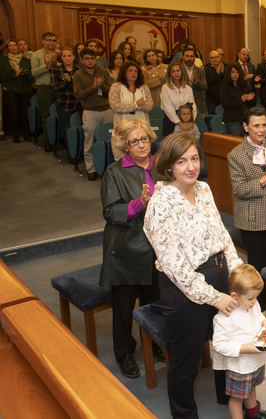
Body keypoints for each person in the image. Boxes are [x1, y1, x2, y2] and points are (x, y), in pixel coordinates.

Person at [143, 132, 244, 417]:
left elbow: (222, 235)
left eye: (195, 158)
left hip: (220, 275)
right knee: (185, 362)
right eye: (181, 161)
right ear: (169, 166)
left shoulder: (204, 189)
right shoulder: (160, 204)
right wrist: (215, 298)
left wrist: (236, 274)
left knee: (225, 346)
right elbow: (176, 268)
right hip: (185, 291)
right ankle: (184, 414)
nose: (190, 166)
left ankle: (229, 398)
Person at [100, 118, 163, 379]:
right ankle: (125, 353)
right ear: (125, 145)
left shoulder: (160, 166)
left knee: (155, 303)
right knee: (124, 309)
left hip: (156, 248)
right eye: (134, 141)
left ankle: (155, 342)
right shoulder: (114, 172)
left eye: (144, 139)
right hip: (125, 250)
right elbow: (111, 211)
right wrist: (140, 203)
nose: (141, 145)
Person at [228, 107, 266, 311]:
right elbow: (239, 190)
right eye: (256, 125)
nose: (261, 130)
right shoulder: (236, 155)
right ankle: (260, 305)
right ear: (246, 127)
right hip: (253, 219)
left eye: (264, 124)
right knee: (259, 264)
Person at [212, 264, 266, 419]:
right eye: (250, 298)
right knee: (237, 397)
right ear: (234, 296)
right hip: (239, 366)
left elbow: (259, 315)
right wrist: (244, 348)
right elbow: (218, 344)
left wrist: (264, 322)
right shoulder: (224, 317)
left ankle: (253, 414)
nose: (254, 302)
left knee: (251, 388)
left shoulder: (252, 304)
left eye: (256, 297)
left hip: (255, 360)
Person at [73, 48, 113, 181]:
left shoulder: (103, 72)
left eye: (92, 58)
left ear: (96, 59)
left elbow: (111, 92)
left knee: (110, 139)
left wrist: (101, 86)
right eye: (86, 59)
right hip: (90, 111)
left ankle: (110, 166)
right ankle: (92, 169)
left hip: (106, 109)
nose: (90, 61)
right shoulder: (78, 75)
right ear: (82, 60)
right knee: (89, 140)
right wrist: (93, 87)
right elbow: (78, 95)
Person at [30, 31, 60, 152]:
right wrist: (46, 65)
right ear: (43, 41)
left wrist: (55, 63)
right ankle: (48, 141)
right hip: (44, 88)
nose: (50, 42)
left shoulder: (60, 54)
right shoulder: (36, 54)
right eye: (48, 40)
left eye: (53, 40)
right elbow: (34, 72)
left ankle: (58, 138)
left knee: (59, 114)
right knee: (46, 115)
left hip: (58, 87)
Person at [0, 39, 34, 143]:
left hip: (24, 89)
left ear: (18, 47)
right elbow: (2, 76)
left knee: (25, 112)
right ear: (7, 48)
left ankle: (26, 134)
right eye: (10, 46)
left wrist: (26, 74)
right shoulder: (3, 60)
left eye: (15, 45)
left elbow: (31, 79)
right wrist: (15, 74)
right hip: (10, 89)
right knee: (13, 112)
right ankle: (15, 135)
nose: (13, 47)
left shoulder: (26, 60)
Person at [109, 60, 153, 131]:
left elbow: (150, 106)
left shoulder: (144, 87)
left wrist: (141, 105)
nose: (133, 73)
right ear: (124, 72)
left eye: (136, 71)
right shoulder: (116, 87)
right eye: (130, 71)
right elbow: (115, 106)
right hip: (123, 125)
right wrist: (135, 105)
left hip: (142, 124)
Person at [220, 64, 262, 137]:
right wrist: (241, 100)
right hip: (232, 120)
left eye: (237, 72)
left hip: (245, 119)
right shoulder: (224, 86)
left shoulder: (243, 85)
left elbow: (252, 103)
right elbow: (225, 104)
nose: (235, 74)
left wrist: (251, 98)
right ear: (229, 73)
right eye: (233, 72)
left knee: (246, 143)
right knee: (236, 143)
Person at [50, 47, 81, 140]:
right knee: (68, 129)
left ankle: (78, 150)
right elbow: (56, 87)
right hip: (64, 103)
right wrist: (67, 81)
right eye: (64, 56)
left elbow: (82, 86)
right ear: (61, 58)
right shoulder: (56, 70)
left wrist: (70, 81)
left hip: (78, 103)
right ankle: (70, 152)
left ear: (74, 57)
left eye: (69, 56)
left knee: (79, 128)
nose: (67, 58)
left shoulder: (79, 69)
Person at [160, 62, 196, 138]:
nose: (176, 73)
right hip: (171, 121)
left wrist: (191, 121)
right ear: (170, 74)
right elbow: (168, 108)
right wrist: (179, 123)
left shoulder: (188, 88)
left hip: (187, 119)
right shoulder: (165, 88)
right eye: (173, 71)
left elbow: (193, 106)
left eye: (178, 70)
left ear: (182, 72)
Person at [181, 47, 208, 119]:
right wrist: (189, 83)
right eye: (187, 56)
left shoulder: (200, 70)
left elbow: (205, 86)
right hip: (182, 105)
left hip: (199, 105)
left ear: (194, 58)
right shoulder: (178, 70)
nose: (189, 58)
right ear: (183, 57)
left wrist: (196, 81)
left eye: (191, 56)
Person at [205, 49, 227, 114]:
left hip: (224, 100)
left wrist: (222, 73)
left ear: (220, 58)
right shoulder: (206, 69)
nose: (214, 59)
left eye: (216, 57)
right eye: (212, 58)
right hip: (212, 101)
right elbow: (208, 81)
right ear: (209, 59)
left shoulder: (226, 68)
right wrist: (217, 73)